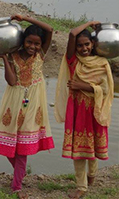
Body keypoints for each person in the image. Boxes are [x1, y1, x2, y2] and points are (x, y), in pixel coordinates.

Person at [0, 14, 55, 199]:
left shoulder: (41, 55)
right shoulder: (13, 55)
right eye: (29, 42)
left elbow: (50, 30)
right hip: (14, 100)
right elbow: (11, 81)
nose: (33, 47)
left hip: (34, 103)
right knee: (8, 142)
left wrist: (25, 18)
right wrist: (4, 58)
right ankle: (21, 171)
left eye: (36, 44)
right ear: (23, 41)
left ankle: (16, 186)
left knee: (22, 148)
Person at [54, 21, 114, 199]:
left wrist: (83, 85)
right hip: (78, 111)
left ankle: (92, 175)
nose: (83, 48)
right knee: (79, 151)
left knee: (92, 146)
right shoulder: (73, 61)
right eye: (80, 45)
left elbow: (105, 90)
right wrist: (89, 23)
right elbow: (72, 34)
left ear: (93, 44)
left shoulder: (102, 63)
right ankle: (82, 186)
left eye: (87, 44)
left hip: (95, 110)